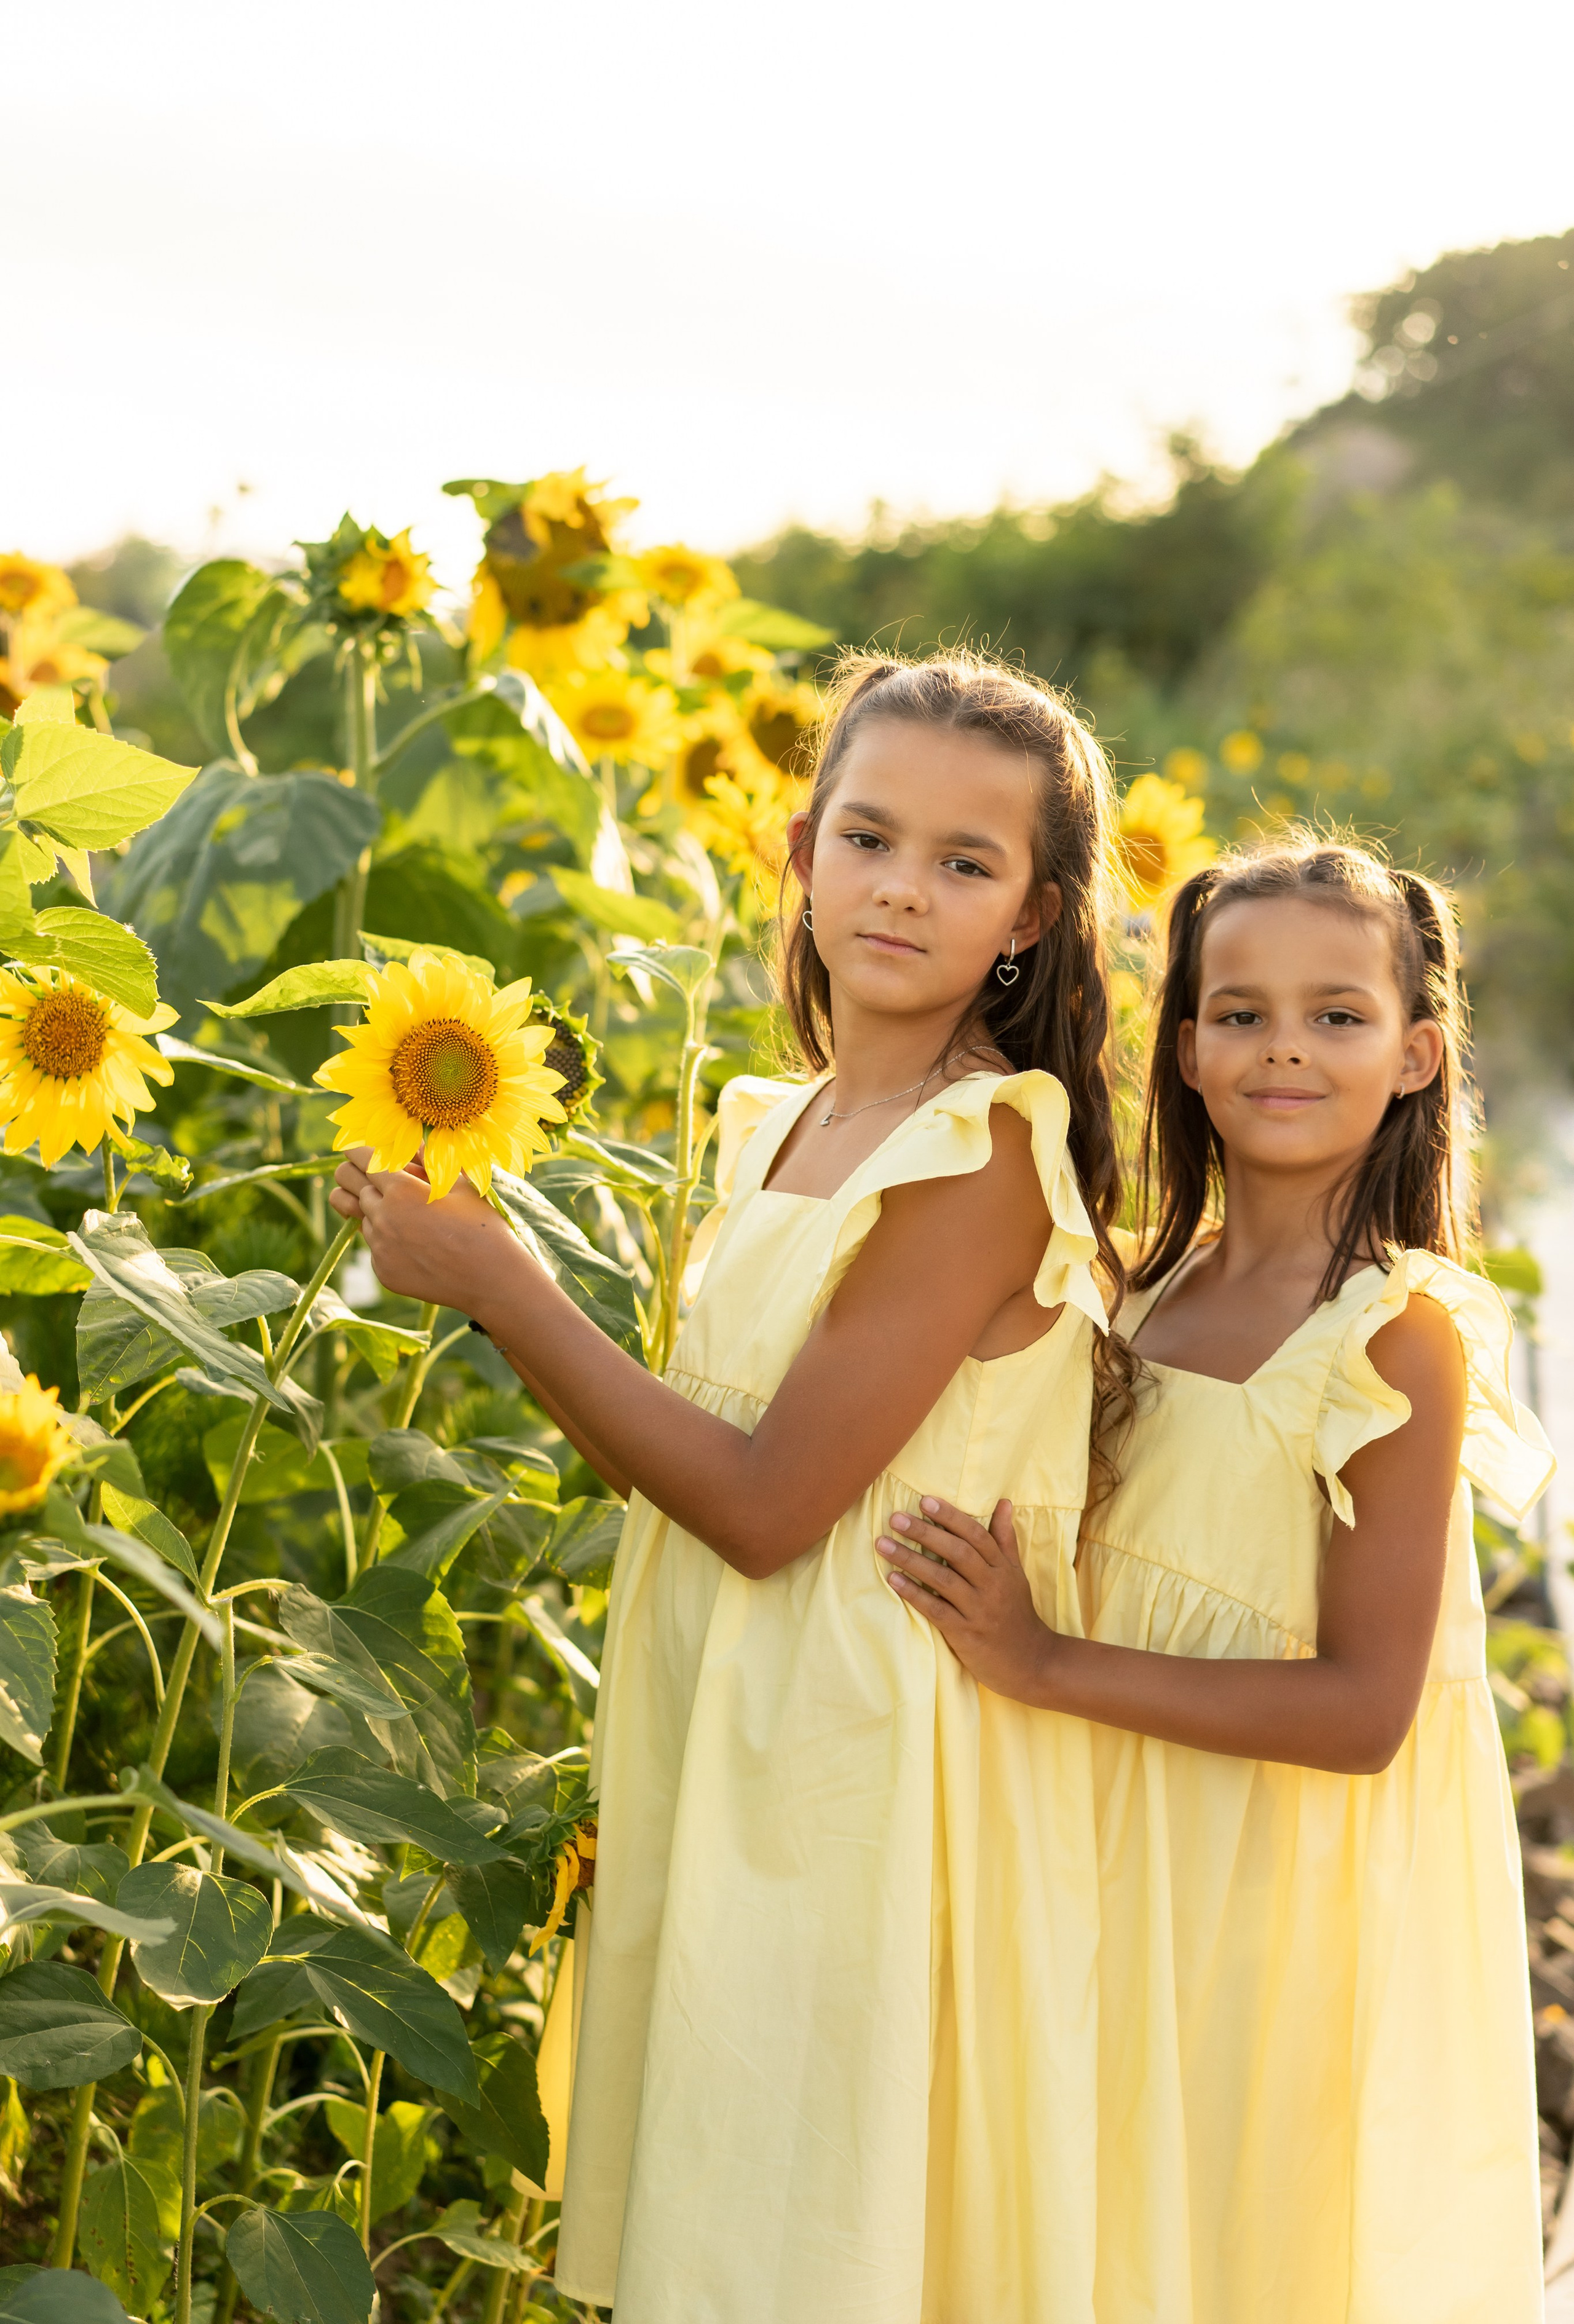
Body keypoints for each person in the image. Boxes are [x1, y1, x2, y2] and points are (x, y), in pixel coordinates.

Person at [330, 651, 1135, 2322]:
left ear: (1035, 916)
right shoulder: (784, 1117)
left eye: (965, 864)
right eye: (870, 836)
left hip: (858, 1752)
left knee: (811, 2224)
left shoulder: (979, 1149)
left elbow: (773, 1507)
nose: (903, 888)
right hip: (731, 1715)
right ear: (800, 849)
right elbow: (682, 1442)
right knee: (726, 2198)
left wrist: (500, 1287)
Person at [883, 835, 1554, 2324]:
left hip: (1264, 1898)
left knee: (1235, 2245)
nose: (1282, 1049)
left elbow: (1366, 1707)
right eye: (1238, 1013)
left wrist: (1040, 1661)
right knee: (1089, 2231)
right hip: (1098, 1848)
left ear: (1414, 1051)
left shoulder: (1390, 1333)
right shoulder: (1131, 1288)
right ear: (1181, 1048)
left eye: (1335, 1014)